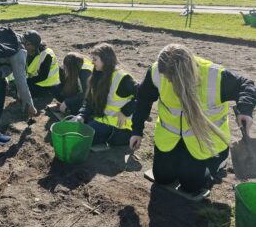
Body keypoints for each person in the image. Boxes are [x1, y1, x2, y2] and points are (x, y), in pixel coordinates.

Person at [130, 44, 256, 193]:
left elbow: (246, 85)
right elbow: (143, 100)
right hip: (171, 138)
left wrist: (245, 110)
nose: (169, 81)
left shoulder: (214, 76)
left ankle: (218, 162)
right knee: (162, 178)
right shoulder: (157, 71)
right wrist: (136, 131)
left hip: (204, 141)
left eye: (172, 78)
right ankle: (182, 161)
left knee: (191, 186)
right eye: (167, 77)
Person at [75, 43, 138, 146]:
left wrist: (125, 111)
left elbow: (143, 96)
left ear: (105, 59)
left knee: (81, 138)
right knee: (76, 127)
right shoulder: (98, 74)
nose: (92, 62)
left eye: (95, 59)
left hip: (119, 129)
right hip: (101, 120)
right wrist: (82, 115)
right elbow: (89, 100)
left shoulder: (123, 78)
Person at [23, 30, 60, 97]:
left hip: (47, 83)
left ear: (34, 45)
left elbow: (43, 76)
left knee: (25, 92)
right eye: (23, 43)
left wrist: (25, 81)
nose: (24, 46)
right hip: (35, 79)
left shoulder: (46, 55)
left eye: (27, 44)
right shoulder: (28, 51)